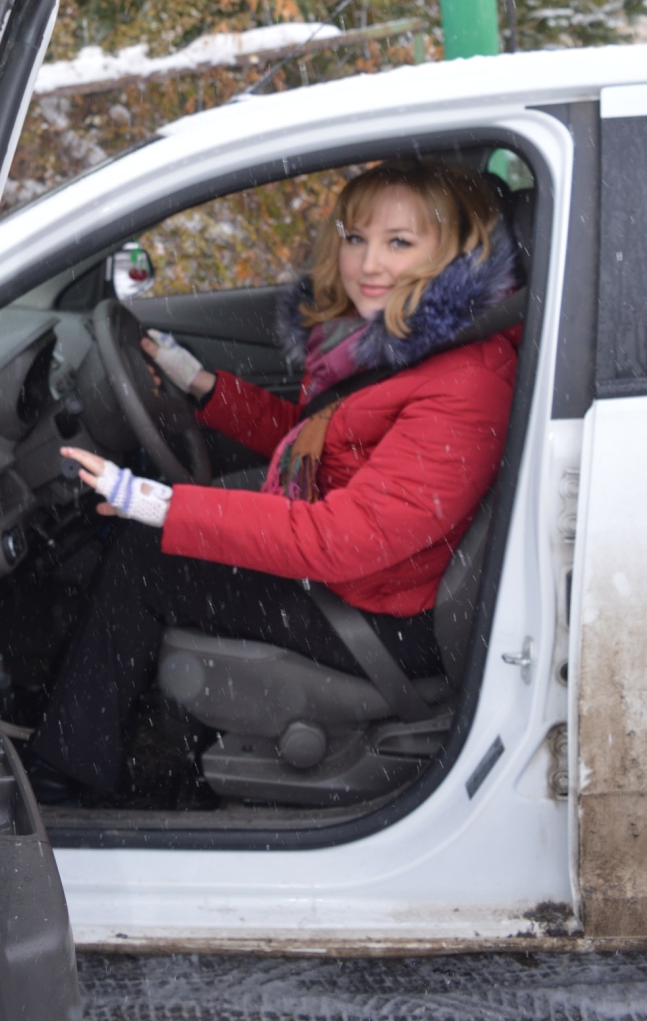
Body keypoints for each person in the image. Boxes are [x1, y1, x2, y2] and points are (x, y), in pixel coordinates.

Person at [29, 161, 521, 801]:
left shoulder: (466, 382)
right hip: (368, 580)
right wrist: (203, 387)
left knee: (144, 554)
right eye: (356, 238)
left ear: (457, 252)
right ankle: (117, 735)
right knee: (155, 540)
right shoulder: (399, 343)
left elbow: (344, 539)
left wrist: (157, 504)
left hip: (382, 618)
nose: (368, 263)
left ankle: (66, 777)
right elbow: (317, 439)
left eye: (399, 243)